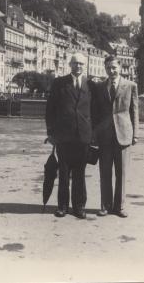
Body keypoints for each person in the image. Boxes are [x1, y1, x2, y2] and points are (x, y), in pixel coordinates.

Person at [45, 53, 93, 219]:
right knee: (64, 172)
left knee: (80, 173)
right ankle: (62, 206)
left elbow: (95, 112)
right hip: (64, 136)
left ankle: (79, 207)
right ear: (70, 64)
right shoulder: (59, 83)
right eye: (75, 63)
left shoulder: (91, 84)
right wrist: (50, 132)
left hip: (83, 136)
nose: (78, 66)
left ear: (84, 65)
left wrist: (93, 134)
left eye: (81, 63)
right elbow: (50, 109)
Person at [92, 55, 139, 218]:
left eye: (114, 67)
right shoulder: (99, 87)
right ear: (105, 69)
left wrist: (136, 134)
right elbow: (95, 112)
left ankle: (119, 207)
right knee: (104, 172)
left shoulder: (131, 85)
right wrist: (94, 133)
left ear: (120, 68)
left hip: (124, 134)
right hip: (104, 135)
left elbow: (135, 111)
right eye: (108, 68)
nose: (111, 71)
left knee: (121, 172)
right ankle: (105, 206)